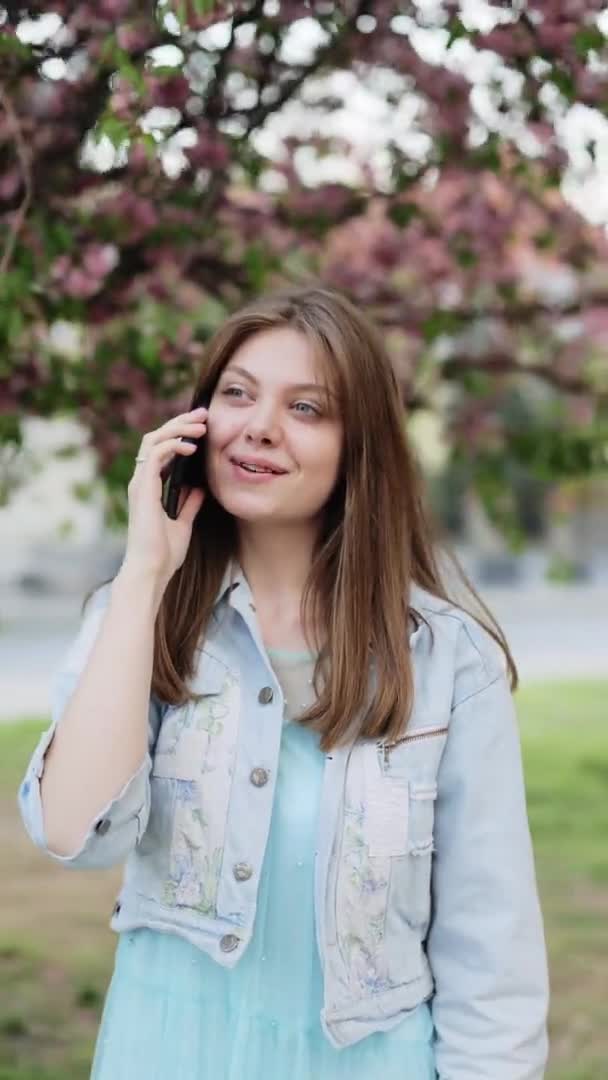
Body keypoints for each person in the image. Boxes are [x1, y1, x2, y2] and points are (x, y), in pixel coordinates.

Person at [18, 285, 549, 1079]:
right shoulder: (139, 615)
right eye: (237, 394)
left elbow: (491, 950)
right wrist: (143, 574)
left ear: (357, 447)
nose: (259, 425)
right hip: (168, 1052)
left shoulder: (445, 659)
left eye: (307, 408)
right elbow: (73, 834)